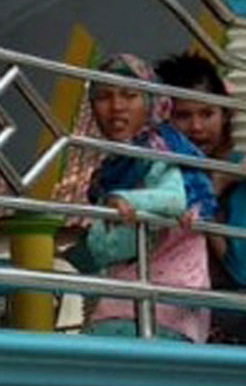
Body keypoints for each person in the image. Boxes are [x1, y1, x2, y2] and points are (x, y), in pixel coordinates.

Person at [62, 52, 216, 343]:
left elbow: (175, 199)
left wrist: (125, 200)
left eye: (129, 95)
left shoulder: (161, 151)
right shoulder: (117, 165)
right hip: (131, 301)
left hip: (163, 307)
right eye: (103, 96)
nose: (116, 107)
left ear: (151, 102)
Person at [154, 50, 246, 344]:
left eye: (207, 113)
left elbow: (243, 273)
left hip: (234, 324)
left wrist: (214, 190)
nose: (197, 127)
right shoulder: (159, 174)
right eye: (183, 116)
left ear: (226, 116)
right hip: (170, 318)